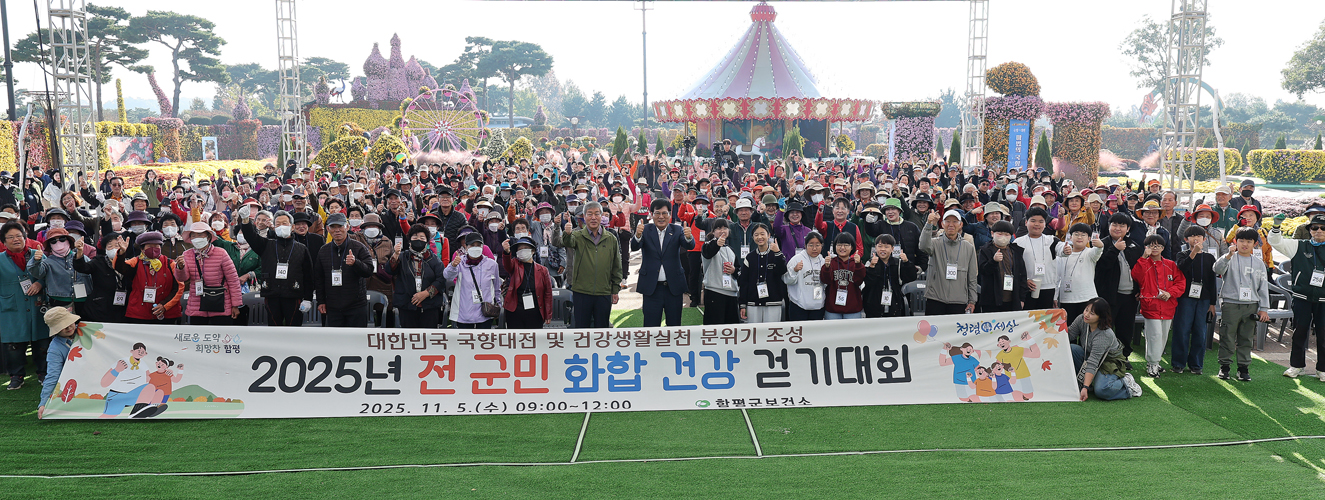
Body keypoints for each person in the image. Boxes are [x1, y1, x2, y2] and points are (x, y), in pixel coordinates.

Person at [1268, 213, 1325, 382]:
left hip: (1324, 299)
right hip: (1302, 296)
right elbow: (1276, 242)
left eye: (1323, 228)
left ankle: (1322, 369)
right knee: (1299, 332)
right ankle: (1297, 366)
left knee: (1323, 334)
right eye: (1314, 227)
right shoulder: (1299, 246)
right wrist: (1276, 227)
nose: (1319, 231)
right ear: (1309, 230)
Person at [1213, 227, 1271, 382]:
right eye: (1241, 241)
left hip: (1251, 304)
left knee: (1246, 338)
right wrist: (1228, 255)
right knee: (1227, 336)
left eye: (1249, 241)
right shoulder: (1229, 257)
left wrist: (1264, 309)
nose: (1245, 244)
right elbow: (1216, 269)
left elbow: (1263, 287)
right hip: (1230, 304)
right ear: (1235, 242)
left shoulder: (1259, 263)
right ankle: (1224, 366)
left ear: (1255, 244)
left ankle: (1243, 368)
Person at [552, 202, 621, 328]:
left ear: (601, 216)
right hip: (581, 292)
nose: (593, 217)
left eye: (597, 214)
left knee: (602, 329)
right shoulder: (577, 236)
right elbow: (566, 242)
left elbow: (617, 266)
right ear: (584, 216)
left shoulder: (611, 239)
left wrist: (615, 289)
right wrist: (566, 233)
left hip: (604, 292)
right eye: (589, 214)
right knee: (582, 329)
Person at [241, 209, 314, 326]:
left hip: (293, 295)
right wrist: (245, 220)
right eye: (278, 224)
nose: (281, 226)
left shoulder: (301, 248)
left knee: (294, 328)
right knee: (274, 327)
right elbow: (251, 236)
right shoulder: (266, 245)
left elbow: (308, 276)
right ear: (274, 227)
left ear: (292, 227)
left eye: (284, 223)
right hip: (272, 294)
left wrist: (308, 298)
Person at [632, 199, 695, 327]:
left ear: (670, 215)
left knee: (674, 326)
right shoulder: (645, 229)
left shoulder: (677, 230)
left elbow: (689, 245)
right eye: (657, 213)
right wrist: (637, 235)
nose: (661, 217)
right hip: (652, 288)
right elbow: (634, 247)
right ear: (651, 214)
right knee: (651, 327)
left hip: (673, 287)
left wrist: (689, 237)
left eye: (664, 213)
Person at [1, 221, 48, 390]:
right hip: (11, 308)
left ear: (25, 237)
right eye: (10, 237)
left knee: (42, 342)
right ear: (4, 242)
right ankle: (17, 376)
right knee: (13, 345)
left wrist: (40, 283)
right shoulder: (0, 260)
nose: (16, 240)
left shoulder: (38, 254)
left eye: (19, 236)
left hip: (37, 305)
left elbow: (49, 274)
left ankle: (43, 373)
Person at [1132, 234, 1186, 379]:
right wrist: (1144, 257)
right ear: (1146, 247)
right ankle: (1152, 363)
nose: (1154, 248)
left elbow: (1180, 283)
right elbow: (1137, 276)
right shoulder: (1143, 263)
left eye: (1158, 245)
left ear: (1163, 248)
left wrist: (1170, 293)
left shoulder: (1171, 264)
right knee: (1154, 336)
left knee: (1163, 336)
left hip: (1168, 306)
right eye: (1151, 245)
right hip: (1151, 306)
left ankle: (1155, 362)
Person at [1068, 298, 1142, 401]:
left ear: (1100, 317)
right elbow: (1069, 334)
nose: (1086, 314)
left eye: (1092, 313)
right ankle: (1084, 382)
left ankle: (1126, 384)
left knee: (1102, 390)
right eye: (1086, 309)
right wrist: (1057, 324)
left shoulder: (1104, 334)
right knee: (1073, 349)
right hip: (1090, 355)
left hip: (1109, 362)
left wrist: (1085, 387)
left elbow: (1093, 362)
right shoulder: (1081, 319)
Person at [312, 214, 375, 327]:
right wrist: (321, 301)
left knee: (356, 340)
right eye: (333, 227)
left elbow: (369, 271)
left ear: (347, 227)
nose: (337, 230)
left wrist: (356, 263)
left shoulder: (359, 247)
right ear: (328, 229)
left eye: (340, 226)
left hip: (356, 306)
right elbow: (319, 278)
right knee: (335, 342)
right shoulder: (323, 250)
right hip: (333, 306)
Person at [174, 222, 242, 325]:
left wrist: (235, 305)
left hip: (221, 304)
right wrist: (180, 267)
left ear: (208, 236)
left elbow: (233, 280)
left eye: (200, 234)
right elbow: (183, 278)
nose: (197, 237)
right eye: (193, 235)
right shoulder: (186, 254)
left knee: (220, 337)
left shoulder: (221, 253)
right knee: (198, 338)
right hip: (197, 306)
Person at [1172, 226, 1218, 375]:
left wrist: (1212, 303)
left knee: (1200, 331)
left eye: (1199, 236)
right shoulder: (1181, 254)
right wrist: (1193, 253)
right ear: (1186, 239)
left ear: (1204, 239)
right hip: (1185, 298)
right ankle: (1178, 363)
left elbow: (1212, 282)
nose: (1195, 238)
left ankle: (1196, 364)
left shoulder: (1210, 257)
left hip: (1203, 299)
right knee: (1182, 330)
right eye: (1192, 236)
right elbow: (1182, 268)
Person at [1095, 213, 1142, 358]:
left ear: (1128, 229)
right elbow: (1102, 266)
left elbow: (1140, 270)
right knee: (1105, 328)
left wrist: (1140, 289)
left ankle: (1123, 357)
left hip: (1130, 296)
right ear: (1109, 226)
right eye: (1114, 224)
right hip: (1109, 296)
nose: (1118, 228)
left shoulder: (1134, 245)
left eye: (1122, 225)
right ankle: (1103, 357)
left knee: (1126, 329)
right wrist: (1115, 249)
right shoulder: (1101, 244)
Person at [116, 231, 183, 325]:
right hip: (139, 313)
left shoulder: (170, 263)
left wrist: (164, 305)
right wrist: (121, 253)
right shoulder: (136, 261)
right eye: (149, 246)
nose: (153, 249)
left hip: (167, 314)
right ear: (142, 249)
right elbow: (120, 267)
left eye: (157, 246)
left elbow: (179, 288)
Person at [920, 209, 977, 315]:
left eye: (955, 221)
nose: (951, 224)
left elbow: (972, 277)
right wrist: (928, 224)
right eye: (947, 221)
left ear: (960, 225)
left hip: (959, 300)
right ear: (942, 224)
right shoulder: (935, 243)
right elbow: (923, 246)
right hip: (935, 298)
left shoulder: (968, 247)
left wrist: (972, 300)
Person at [389, 225, 447, 328]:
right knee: (409, 338)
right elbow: (390, 270)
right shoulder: (403, 257)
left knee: (428, 338)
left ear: (427, 241)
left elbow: (441, 279)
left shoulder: (434, 259)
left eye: (422, 238)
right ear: (409, 241)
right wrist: (395, 255)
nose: (418, 240)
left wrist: (426, 293)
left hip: (429, 307)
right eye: (415, 238)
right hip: (406, 305)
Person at [444, 232, 501, 329]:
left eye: (478, 245)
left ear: (483, 247)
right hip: (464, 312)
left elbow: (496, 288)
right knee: (466, 341)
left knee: (483, 341)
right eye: (472, 245)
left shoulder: (492, 264)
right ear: (466, 247)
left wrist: (498, 305)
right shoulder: (460, 262)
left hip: (485, 312)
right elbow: (447, 276)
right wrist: (453, 265)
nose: (475, 247)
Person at [73, 233, 129, 323]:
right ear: (105, 249)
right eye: (110, 246)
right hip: (99, 308)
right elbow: (82, 267)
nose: (114, 248)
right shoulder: (98, 262)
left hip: (122, 309)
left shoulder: (129, 263)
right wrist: (79, 251)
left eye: (117, 245)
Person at [1015, 207, 1063, 311]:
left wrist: (1066, 250)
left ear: (1045, 224)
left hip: (1048, 288)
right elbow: (1015, 267)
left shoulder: (1052, 240)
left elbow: (1062, 249)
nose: (1037, 224)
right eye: (1033, 221)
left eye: (1041, 221)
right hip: (1027, 288)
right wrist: (1025, 280)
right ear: (1026, 222)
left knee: (1045, 323)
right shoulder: (1018, 243)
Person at [737, 223, 787, 323]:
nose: (759, 237)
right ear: (752, 237)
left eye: (762, 234)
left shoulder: (776, 254)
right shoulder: (750, 257)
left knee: (772, 333)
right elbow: (744, 282)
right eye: (756, 235)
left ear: (768, 235)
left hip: (773, 302)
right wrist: (742, 304)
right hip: (753, 303)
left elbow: (782, 271)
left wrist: (778, 253)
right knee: (754, 333)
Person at [37, 306, 81, 418]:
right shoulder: (54, 349)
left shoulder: (86, 330)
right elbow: (53, 375)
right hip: (76, 382)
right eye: (62, 326)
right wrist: (44, 403)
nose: (68, 327)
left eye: (69, 322)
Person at [500, 237, 554, 328]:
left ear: (533, 251)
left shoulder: (543, 270)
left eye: (525, 248)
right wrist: (506, 252)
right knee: (516, 339)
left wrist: (548, 313)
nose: (522, 251)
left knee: (533, 340)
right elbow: (507, 265)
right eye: (519, 249)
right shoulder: (514, 264)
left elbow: (548, 293)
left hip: (535, 311)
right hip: (515, 311)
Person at [1056, 223, 1104, 325]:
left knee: (1085, 331)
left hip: (1087, 298)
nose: (1079, 237)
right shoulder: (1062, 254)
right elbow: (1057, 277)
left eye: (1083, 235)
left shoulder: (1090, 253)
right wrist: (1055, 297)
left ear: (1089, 238)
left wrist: (1100, 246)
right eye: (1076, 234)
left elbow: (1097, 252)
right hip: (1066, 299)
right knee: (1068, 330)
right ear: (1070, 237)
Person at [862, 234, 916, 318]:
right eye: (880, 246)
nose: (883, 249)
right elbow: (868, 283)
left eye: (886, 247)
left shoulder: (898, 263)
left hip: (894, 304)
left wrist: (906, 262)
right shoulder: (870, 263)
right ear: (875, 248)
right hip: (874, 305)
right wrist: (872, 267)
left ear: (892, 249)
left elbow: (911, 277)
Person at [977, 221, 1025, 313]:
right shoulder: (985, 250)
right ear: (992, 233)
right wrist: (993, 261)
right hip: (992, 301)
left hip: (1012, 299)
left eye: (1007, 234)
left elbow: (1022, 274)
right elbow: (983, 271)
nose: (1003, 237)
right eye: (999, 234)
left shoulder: (1016, 251)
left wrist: (1021, 298)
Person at [701, 218, 741, 325]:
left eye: (725, 228)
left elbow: (738, 269)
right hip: (714, 292)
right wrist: (717, 243)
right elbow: (708, 253)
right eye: (718, 228)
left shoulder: (730, 249)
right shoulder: (708, 245)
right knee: (714, 328)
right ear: (713, 232)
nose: (722, 230)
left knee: (732, 329)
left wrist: (734, 270)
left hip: (731, 293)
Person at [783, 231, 826, 321]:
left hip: (818, 306)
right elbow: (786, 280)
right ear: (805, 246)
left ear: (822, 246)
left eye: (817, 245)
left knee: (814, 333)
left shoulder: (823, 261)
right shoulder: (796, 259)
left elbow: (826, 283)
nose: (814, 248)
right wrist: (795, 270)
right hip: (799, 306)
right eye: (811, 245)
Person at [821, 232, 865, 320]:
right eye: (839, 245)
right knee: (833, 333)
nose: (842, 248)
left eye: (846, 245)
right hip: (832, 309)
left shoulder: (855, 263)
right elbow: (826, 281)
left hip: (852, 309)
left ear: (852, 247)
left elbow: (859, 281)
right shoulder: (831, 262)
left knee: (852, 333)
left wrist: (858, 265)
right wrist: (826, 267)